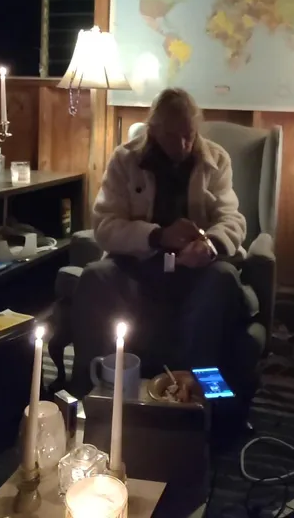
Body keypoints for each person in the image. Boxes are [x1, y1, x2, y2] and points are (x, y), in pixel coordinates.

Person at [70, 88, 260, 400]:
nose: (183, 145)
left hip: (196, 270)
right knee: (94, 276)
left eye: (189, 135)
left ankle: (204, 399)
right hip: (137, 267)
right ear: (153, 130)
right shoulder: (125, 160)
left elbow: (232, 219)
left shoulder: (216, 160)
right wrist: (157, 236)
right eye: (173, 136)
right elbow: (104, 225)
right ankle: (88, 394)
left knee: (224, 279)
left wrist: (210, 243)